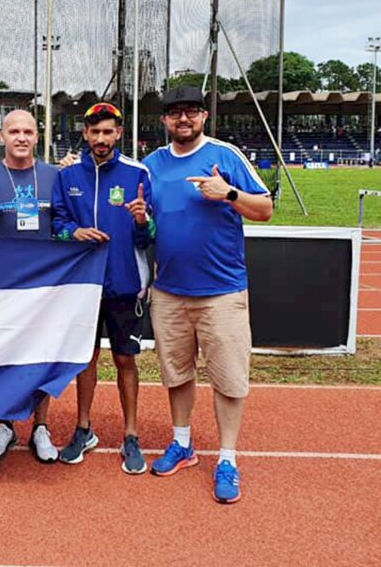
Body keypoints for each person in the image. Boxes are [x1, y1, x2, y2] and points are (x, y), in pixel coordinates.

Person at [142, 85, 272, 504]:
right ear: (164, 120)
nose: (183, 120)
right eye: (175, 113)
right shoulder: (151, 165)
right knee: (176, 373)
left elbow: (265, 209)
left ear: (203, 117)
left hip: (221, 292)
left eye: (191, 112)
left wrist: (228, 194)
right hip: (169, 291)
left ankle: (228, 459)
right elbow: (141, 221)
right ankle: (183, 443)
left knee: (229, 379)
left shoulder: (225, 155)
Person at [51, 102, 154, 475]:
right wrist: (73, 232)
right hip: (82, 285)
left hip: (124, 282)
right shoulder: (67, 176)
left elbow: (149, 235)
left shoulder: (137, 173)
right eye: (94, 132)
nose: (100, 139)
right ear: (85, 133)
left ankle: (131, 435)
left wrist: (142, 221)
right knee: (85, 358)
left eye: (107, 132)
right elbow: (57, 223)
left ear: (119, 134)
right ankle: (83, 428)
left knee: (125, 359)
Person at [0, 109, 61, 463]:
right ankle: (5, 424)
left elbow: (63, 225)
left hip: (45, 287)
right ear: (2, 136)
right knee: (4, 356)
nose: (21, 137)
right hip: (3, 286)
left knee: (42, 358)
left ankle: (40, 428)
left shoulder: (53, 176)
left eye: (28, 131)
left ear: (36, 136)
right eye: (13, 131)